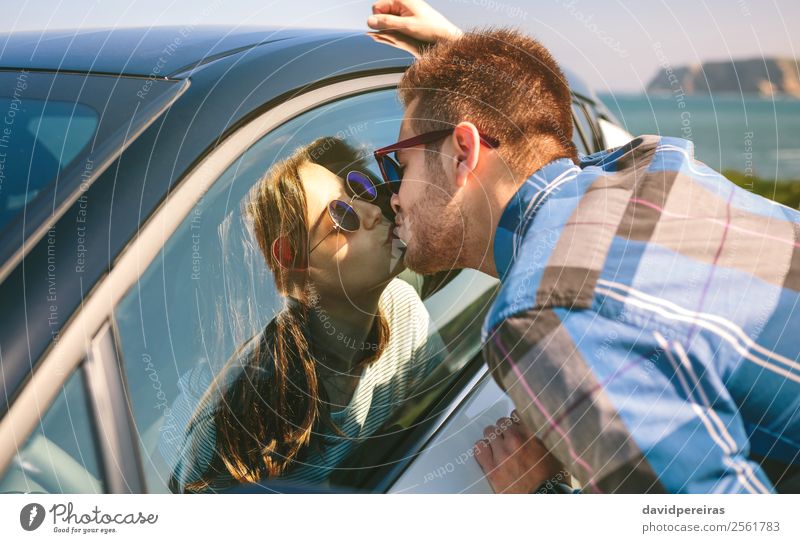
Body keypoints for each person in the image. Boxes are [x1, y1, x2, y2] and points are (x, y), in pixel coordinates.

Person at [368, 0, 800, 493]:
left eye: (397, 164)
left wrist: (543, 501)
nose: (394, 196)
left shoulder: (545, 315)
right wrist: (467, 66)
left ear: (464, 152)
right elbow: (539, 143)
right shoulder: (650, 163)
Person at [160, 136, 445, 492]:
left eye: (359, 190)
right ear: (289, 266)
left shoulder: (402, 312)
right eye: (342, 216)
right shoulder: (220, 409)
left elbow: (449, 428)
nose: (373, 212)